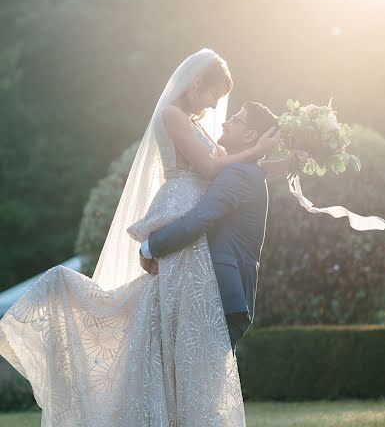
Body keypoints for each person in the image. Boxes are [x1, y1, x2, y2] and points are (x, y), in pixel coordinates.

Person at [0, 49, 279, 427]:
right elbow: (212, 167)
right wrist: (255, 150)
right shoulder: (172, 115)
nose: (216, 105)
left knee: (179, 323)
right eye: (213, 94)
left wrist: (277, 156)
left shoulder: (195, 122)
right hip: (181, 210)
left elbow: (229, 171)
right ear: (196, 84)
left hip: (192, 225)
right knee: (173, 317)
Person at [139, 101, 308, 353]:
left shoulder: (239, 173)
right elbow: (256, 167)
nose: (225, 122)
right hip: (225, 290)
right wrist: (286, 162)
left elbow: (200, 218)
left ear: (250, 135)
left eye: (236, 120)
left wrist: (150, 246)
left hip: (220, 291)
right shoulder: (246, 170)